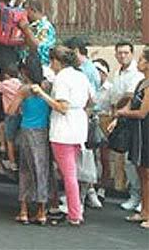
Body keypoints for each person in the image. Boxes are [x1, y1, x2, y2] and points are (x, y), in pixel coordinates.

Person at [31, 46, 94, 226]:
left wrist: (42, 93)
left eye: (52, 61)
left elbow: (62, 107)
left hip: (63, 130)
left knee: (68, 174)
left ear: (57, 61)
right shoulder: (81, 75)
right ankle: (74, 209)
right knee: (71, 171)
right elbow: (91, 100)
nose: (52, 65)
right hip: (79, 126)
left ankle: (74, 213)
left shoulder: (62, 78)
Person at [8, 53, 50, 225]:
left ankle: (24, 211)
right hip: (43, 131)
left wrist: (21, 110)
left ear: (25, 71)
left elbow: (11, 111)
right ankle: (41, 212)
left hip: (27, 131)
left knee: (25, 170)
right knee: (42, 170)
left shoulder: (24, 90)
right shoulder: (47, 86)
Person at [65, 37, 103, 209]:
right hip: (87, 117)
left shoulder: (84, 71)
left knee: (82, 159)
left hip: (84, 118)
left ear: (75, 51)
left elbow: (91, 99)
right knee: (86, 158)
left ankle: (80, 197)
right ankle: (88, 193)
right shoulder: (90, 69)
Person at [114, 46, 149, 229]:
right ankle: (144, 211)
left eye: (143, 59)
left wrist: (124, 113)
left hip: (146, 131)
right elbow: (131, 104)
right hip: (138, 132)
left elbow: (142, 112)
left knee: (147, 172)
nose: (140, 62)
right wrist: (120, 113)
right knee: (141, 171)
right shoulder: (141, 83)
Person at [109, 41, 144, 212]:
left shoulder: (137, 74)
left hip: (133, 120)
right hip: (121, 119)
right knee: (126, 160)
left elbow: (129, 97)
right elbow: (115, 97)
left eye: (126, 53)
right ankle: (135, 195)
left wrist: (119, 113)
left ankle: (140, 198)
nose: (122, 56)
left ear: (132, 54)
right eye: (120, 53)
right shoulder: (117, 73)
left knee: (135, 161)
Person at [93, 58, 114, 203]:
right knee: (91, 156)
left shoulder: (110, 88)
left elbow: (113, 108)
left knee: (104, 157)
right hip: (92, 121)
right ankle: (91, 186)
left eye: (99, 71)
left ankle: (103, 187)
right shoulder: (91, 86)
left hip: (105, 120)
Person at [19, 0, 56, 67]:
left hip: (41, 66)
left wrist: (26, 29)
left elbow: (38, 47)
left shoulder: (45, 27)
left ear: (33, 10)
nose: (23, 15)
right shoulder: (32, 25)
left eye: (26, 11)